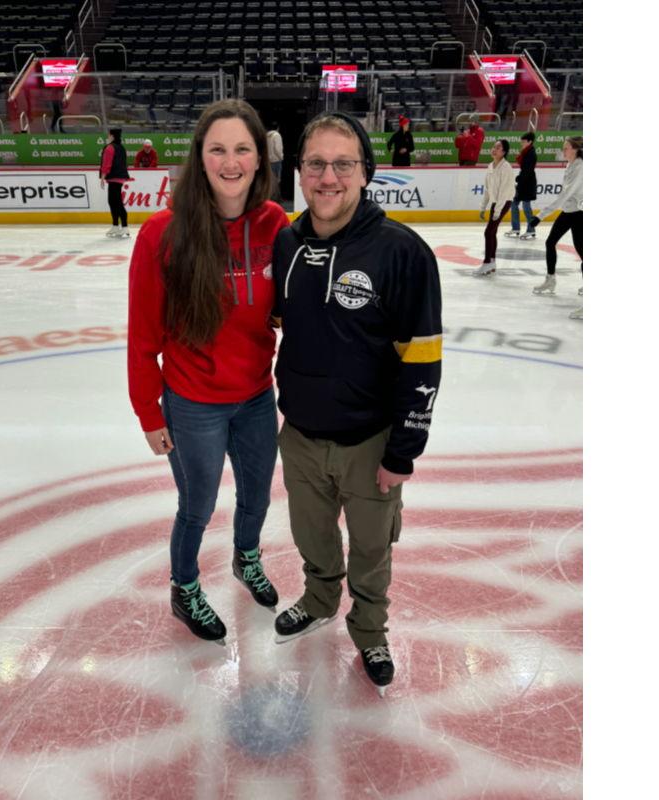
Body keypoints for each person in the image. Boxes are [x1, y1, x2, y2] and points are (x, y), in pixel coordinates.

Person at [270, 112, 443, 696]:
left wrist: (404, 451)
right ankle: (319, 598)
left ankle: (369, 628)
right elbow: (278, 324)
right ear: (299, 171)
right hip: (299, 436)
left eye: (344, 163)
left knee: (371, 550)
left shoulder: (403, 253)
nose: (328, 177)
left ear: (366, 172)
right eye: (316, 163)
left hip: (372, 441)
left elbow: (423, 360)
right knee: (312, 537)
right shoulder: (287, 241)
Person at [127, 99, 290, 644]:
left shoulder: (274, 224)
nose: (231, 160)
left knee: (258, 496)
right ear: (199, 157)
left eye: (242, 148)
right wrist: (149, 412)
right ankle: (185, 587)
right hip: (192, 400)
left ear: (259, 159)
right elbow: (143, 337)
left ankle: (247, 558)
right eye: (217, 148)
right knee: (196, 506)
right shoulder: (162, 235)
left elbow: (288, 309)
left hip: (255, 397)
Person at [530, 136, 583, 318]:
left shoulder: (581, 167)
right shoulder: (570, 165)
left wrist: (540, 216)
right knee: (550, 242)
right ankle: (550, 280)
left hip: (580, 213)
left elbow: (566, 195)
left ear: (575, 149)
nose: (564, 150)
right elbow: (565, 197)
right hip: (570, 211)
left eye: (566, 148)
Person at [475, 139, 516, 276]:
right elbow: (487, 189)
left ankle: (487, 262)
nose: (494, 149)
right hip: (495, 202)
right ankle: (492, 262)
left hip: (504, 202)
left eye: (498, 148)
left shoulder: (506, 168)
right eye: (494, 147)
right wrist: (483, 207)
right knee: (491, 232)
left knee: (488, 232)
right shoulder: (490, 166)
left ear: (504, 152)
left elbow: (504, 192)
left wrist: (497, 211)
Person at [505, 131, 537, 239]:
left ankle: (531, 229)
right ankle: (516, 228)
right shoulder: (526, 152)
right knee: (514, 205)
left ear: (529, 141)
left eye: (523, 141)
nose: (521, 143)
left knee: (526, 207)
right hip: (523, 182)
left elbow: (527, 171)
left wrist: (519, 179)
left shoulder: (531, 153)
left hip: (527, 183)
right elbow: (524, 169)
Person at [99, 128, 131, 238]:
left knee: (116, 202)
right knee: (113, 202)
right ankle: (116, 226)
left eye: (108, 135)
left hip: (114, 177)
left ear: (112, 136)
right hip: (119, 177)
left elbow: (106, 163)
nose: (107, 137)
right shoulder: (121, 147)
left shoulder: (110, 148)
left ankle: (124, 226)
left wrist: (103, 176)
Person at [266, 122, 284, 201]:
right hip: (276, 160)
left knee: (270, 180)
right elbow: (277, 148)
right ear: (278, 128)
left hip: (268, 161)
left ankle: (271, 197)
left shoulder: (266, 136)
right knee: (277, 180)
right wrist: (281, 157)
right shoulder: (276, 135)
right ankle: (276, 198)